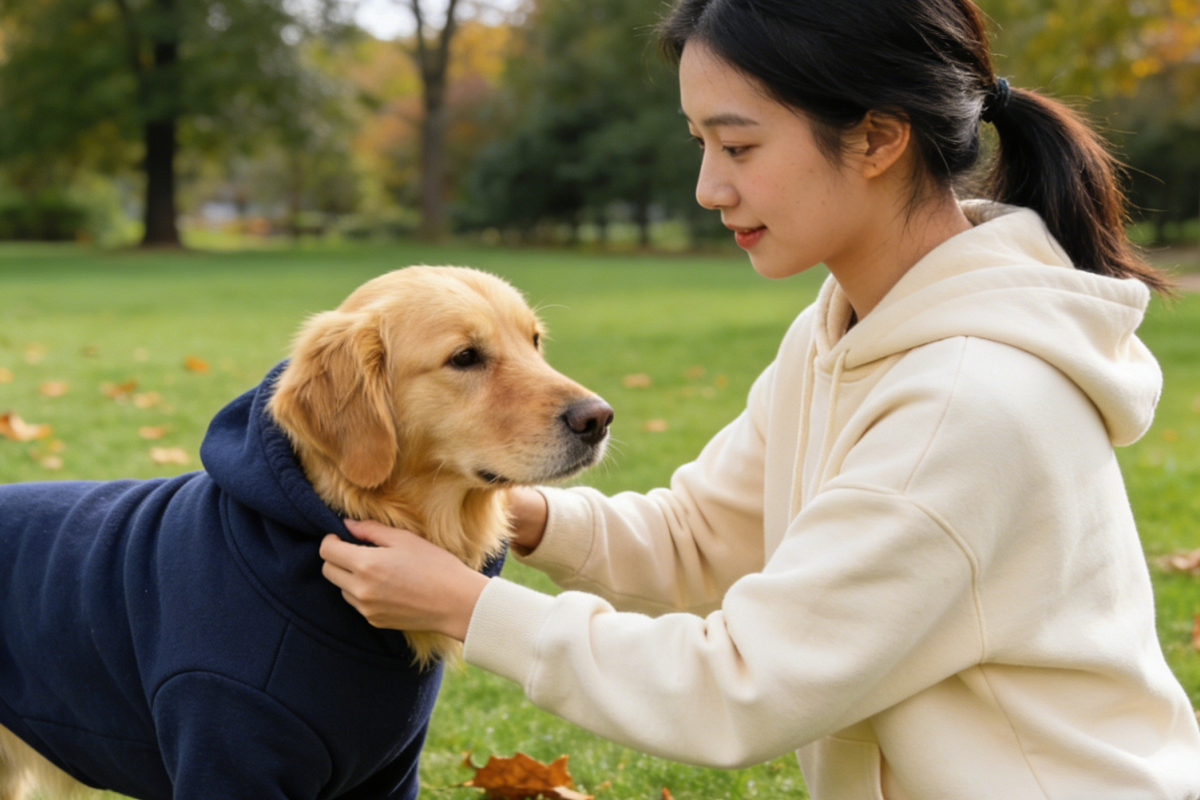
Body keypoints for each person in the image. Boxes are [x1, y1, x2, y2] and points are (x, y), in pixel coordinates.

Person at [319, 0, 1200, 797]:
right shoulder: (847, 333)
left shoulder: (969, 404)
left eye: (738, 146)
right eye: (700, 143)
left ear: (877, 138)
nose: (710, 187)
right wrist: (527, 515)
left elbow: (741, 686)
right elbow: (703, 537)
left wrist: (467, 607)